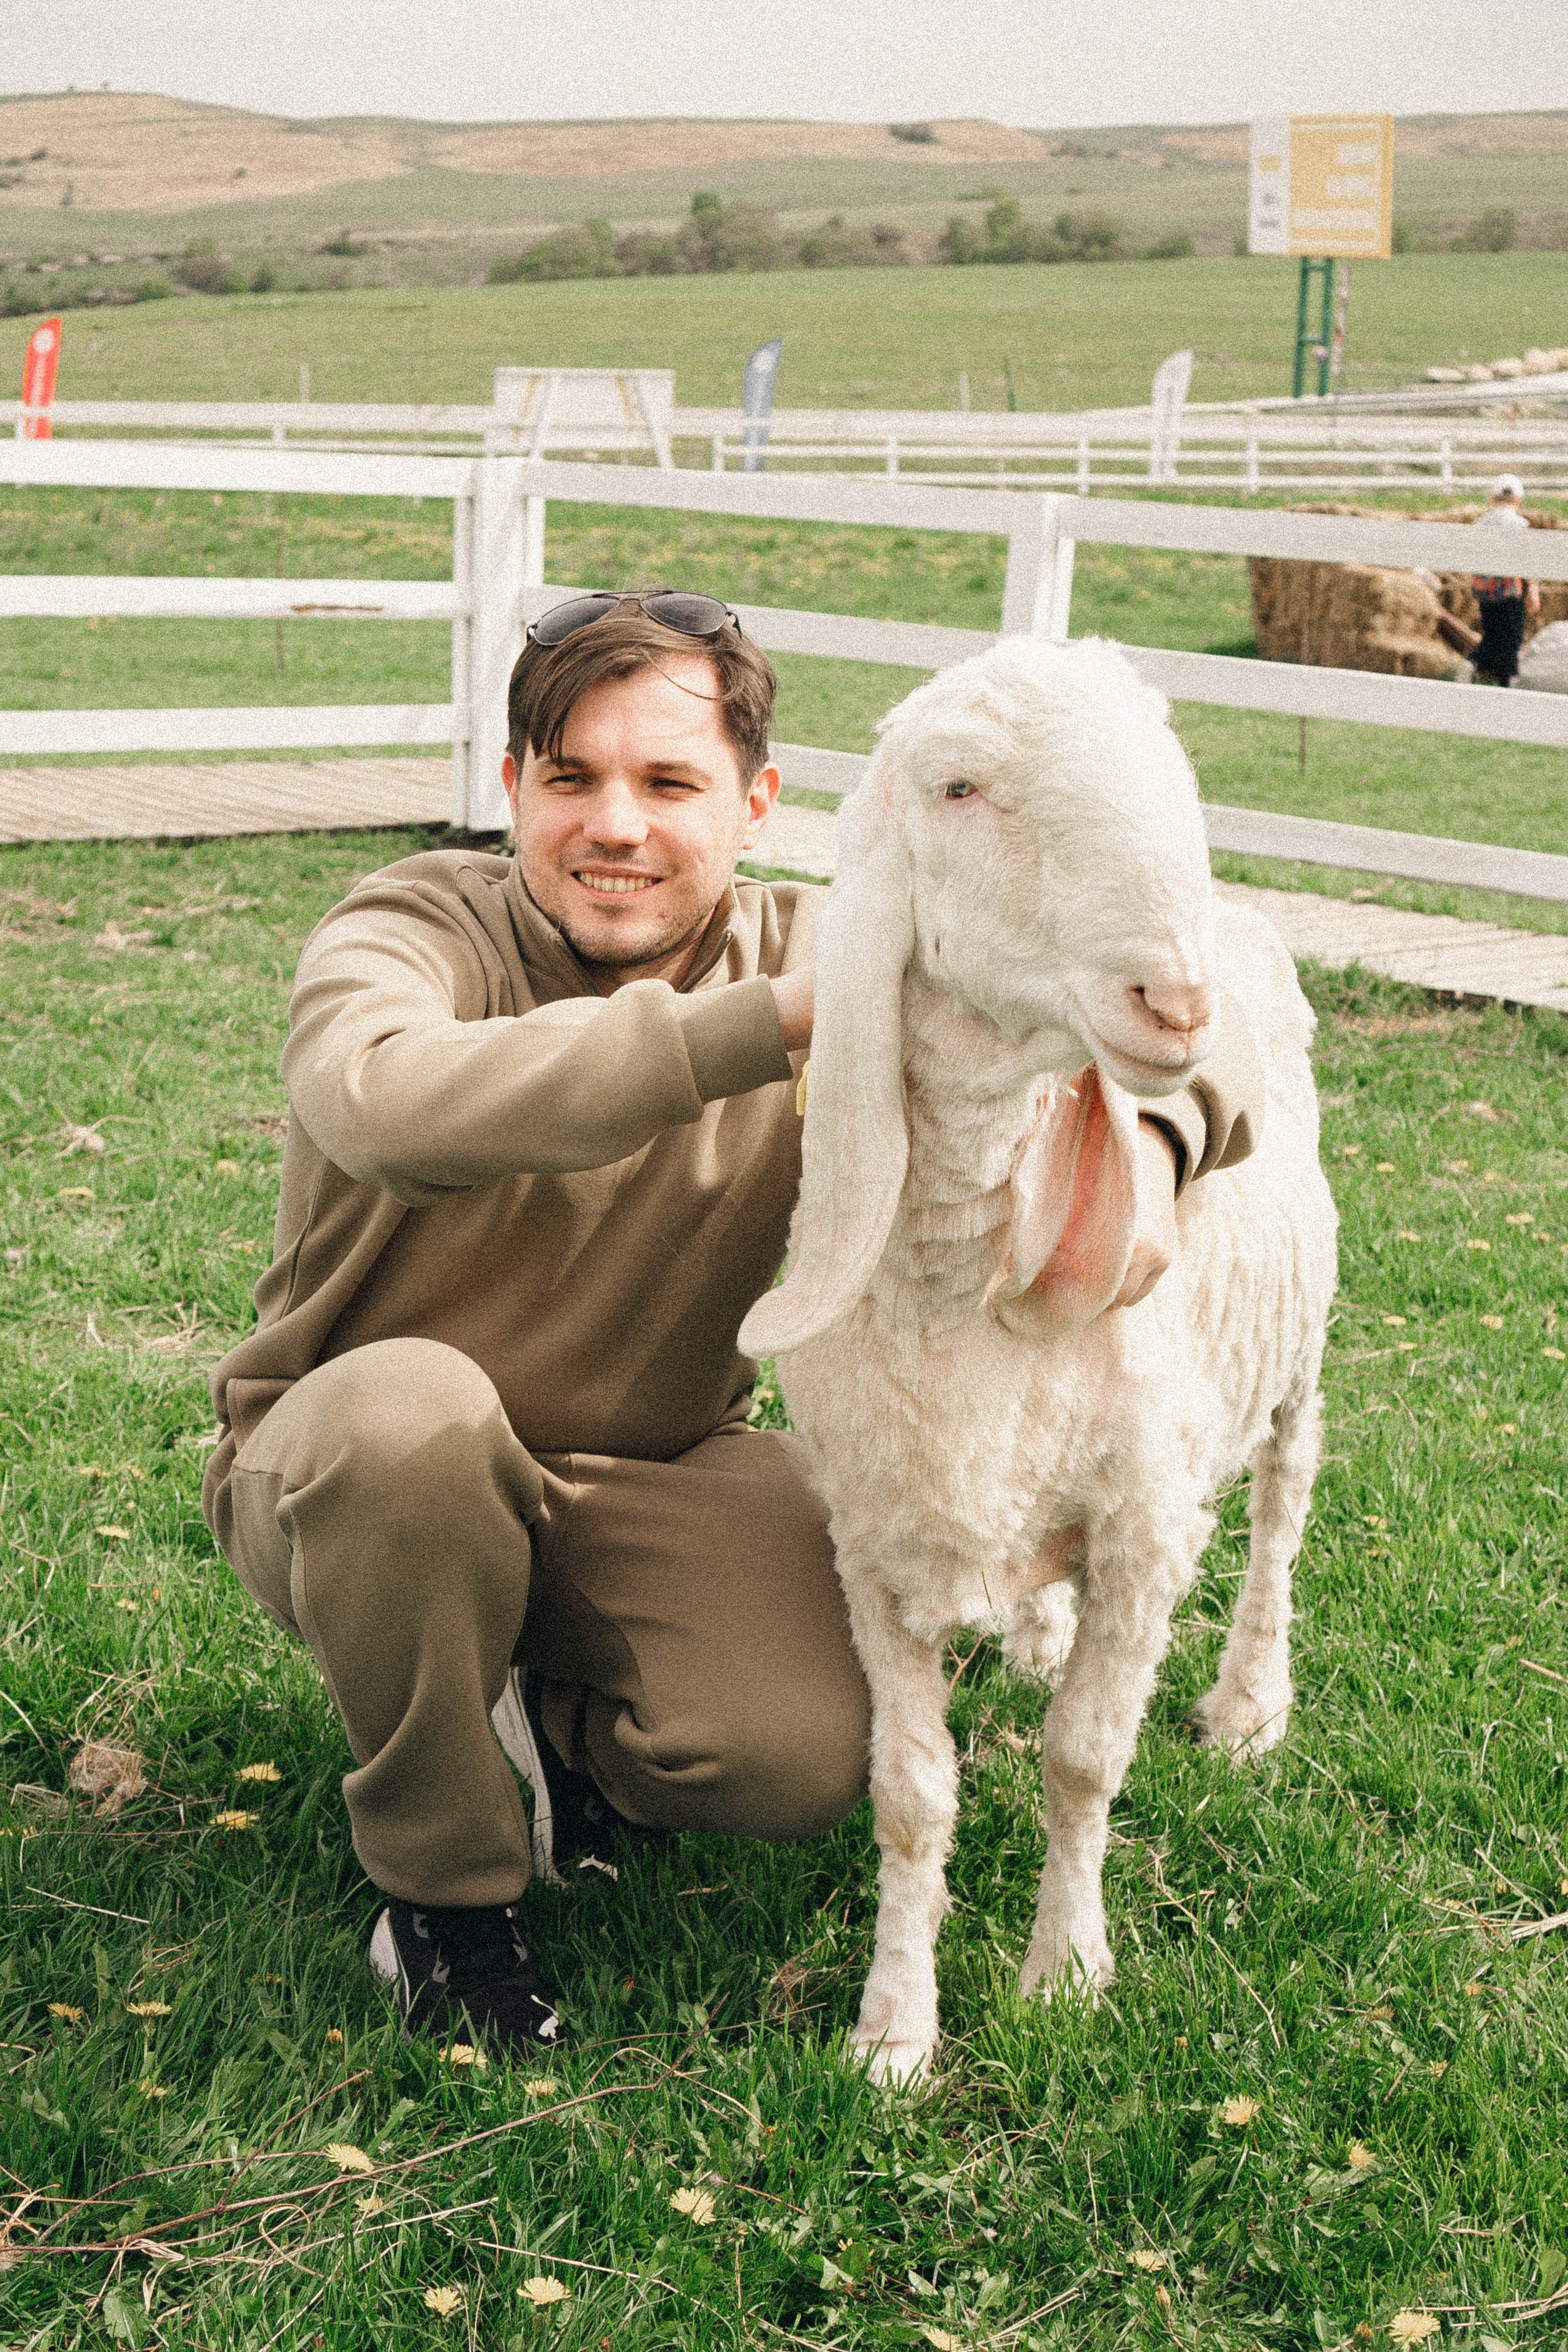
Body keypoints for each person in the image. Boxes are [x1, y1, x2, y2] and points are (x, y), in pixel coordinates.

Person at [201, 590, 1265, 2054]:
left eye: (668, 782)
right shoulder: (408, 926)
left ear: (757, 802)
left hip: (650, 1465)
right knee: (407, 1430)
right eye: (569, 777)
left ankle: (553, 1719)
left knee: (800, 1750)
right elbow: (380, 1100)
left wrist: (1160, 1137)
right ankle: (442, 1897)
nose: (614, 824)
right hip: (354, 1470)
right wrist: (762, 1025)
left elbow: (1146, 1023)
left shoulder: (834, 941)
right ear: (511, 789)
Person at [1470, 472, 1540, 687]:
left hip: (1486, 592)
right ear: (1519, 500)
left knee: (1493, 635)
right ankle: (1507, 684)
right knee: (1512, 641)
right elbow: (1528, 562)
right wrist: (1533, 591)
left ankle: (1474, 665)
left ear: (1492, 499)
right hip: (1511, 592)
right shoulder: (1521, 525)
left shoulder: (1480, 524)